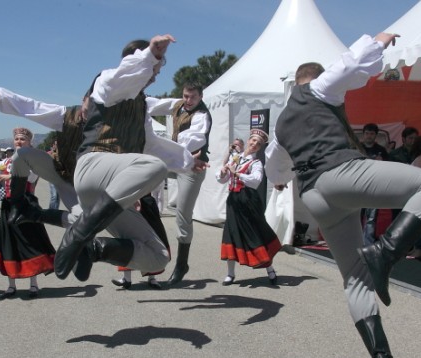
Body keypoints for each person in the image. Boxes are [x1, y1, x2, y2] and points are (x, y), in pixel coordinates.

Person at [265, 32, 421, 358]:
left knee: (355, 280)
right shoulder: (319, 88)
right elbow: (350, 65)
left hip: (316, 197)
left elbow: (275, 170)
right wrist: (379, 41)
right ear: (314, 77)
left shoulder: (282, 123)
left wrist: (278, 181)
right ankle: (385, 251)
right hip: (340, 176)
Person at [54, 34, 208, 283]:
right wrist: (151, 55)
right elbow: (128, 75)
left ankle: (92, 249)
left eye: (158, 68)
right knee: (154, 167)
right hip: (94, 164)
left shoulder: (142, 105)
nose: (157, 73)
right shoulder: (108, 83)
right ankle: (79, 234)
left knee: (158, 256)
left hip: (108, 188)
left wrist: (188, 161)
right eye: (156, 68)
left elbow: (152, 145)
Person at [0, 88, 83, 228]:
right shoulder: (70, 115)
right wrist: (2, 98)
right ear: (85, 100)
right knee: (23, 154)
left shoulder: (113, 123)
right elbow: (35, 107)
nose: (18, 141)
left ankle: (35, 214)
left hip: (93, 184)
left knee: (84, 221)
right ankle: (21, 208)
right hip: (63, 174)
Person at [146, 82, 213, 286]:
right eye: (185, 96)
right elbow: (152, 104)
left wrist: (170, 154)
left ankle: (182, 264)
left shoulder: (202, 115)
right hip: (173, 160)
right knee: (144, 177)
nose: (188, 100)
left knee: (182, 216)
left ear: (200, 97)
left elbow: (191, 140)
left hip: (192, 165)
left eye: (192, 97)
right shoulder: (177, 104)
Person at [0, 127, 55, 299]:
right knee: (9, 242)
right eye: (17, 139)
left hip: (26, 205)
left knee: (30, 241)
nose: (19, 141)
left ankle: (34, 284)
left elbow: (30, 176)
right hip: (8, 205)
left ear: (29, 142)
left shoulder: (32, 162)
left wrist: (9, 177)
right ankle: (11, 285)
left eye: (23, 139)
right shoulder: (4, 162)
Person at [216, 129, 280, 286]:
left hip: (248, 201)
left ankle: (270, 269)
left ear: (260, 148)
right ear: (248, 140)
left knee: (254, 233)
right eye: (253, 141)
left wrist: (237, 174)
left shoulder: (256, 163)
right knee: (230, 233)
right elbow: (222, 180)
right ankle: (230, 274)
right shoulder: (235, 158)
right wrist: (224, 172)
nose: (254, 144)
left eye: (258, 144)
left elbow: (256, 181)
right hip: (233, 200)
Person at [360, 123, 388, 245]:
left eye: (372, 134)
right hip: (357, 187)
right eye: (367, 133)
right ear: (363, 134)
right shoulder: (356, 148)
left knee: (371, 218)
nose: (369, 136)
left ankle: (368, 242)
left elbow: (388, 169)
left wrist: (381, 164)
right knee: (355, 217)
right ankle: (355, 241)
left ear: (376, 136)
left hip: (374, 187)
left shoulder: (381, 151)